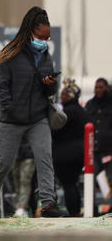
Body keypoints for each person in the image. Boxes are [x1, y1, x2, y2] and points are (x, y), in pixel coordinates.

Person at [0, 6, 65, 217]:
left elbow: (51, 90)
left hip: (37, 117)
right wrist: (9, 108)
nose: (45, 41)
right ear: (32, 30)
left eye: (48, 39)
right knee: (4, 163)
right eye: (42, 37)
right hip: (11, 119)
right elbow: (2, 86)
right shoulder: (11, 53)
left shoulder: (45, 57)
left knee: (44, 157)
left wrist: (50, 84)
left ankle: (48, 204)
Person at [52, 80, 89, 217]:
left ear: (72, 96)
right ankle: (77, 212)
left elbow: (54, 130)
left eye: (65, 95)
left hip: (65, 155)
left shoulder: (66, 112)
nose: (62, 96)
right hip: (80, 153)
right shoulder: (81, 111)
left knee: (68, 185)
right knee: (72, 184)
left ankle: (73, 212)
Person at [84, 77, 112, 198]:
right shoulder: (90, 104)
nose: (98, 90)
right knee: (92, 179)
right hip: (93, 151)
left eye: (101, 87)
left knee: (110, 179)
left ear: (107, 88)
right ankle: (93, 209)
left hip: (109, 150)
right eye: (96, 87)